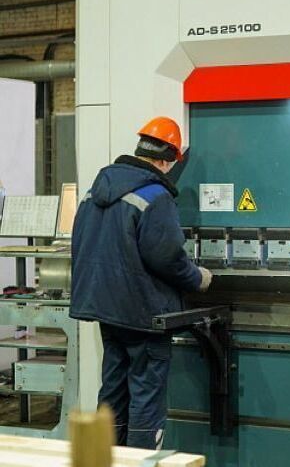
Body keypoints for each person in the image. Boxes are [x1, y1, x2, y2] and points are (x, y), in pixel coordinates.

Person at [70, 116, 212, 450]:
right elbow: (166, 256)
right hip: (145, 314)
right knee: (146, 395)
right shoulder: (155, 195)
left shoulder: (94, 190)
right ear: (167, 160)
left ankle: (105, 456)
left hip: (105, 309)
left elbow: (82, 244)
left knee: (113, 388)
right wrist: (198, 278)